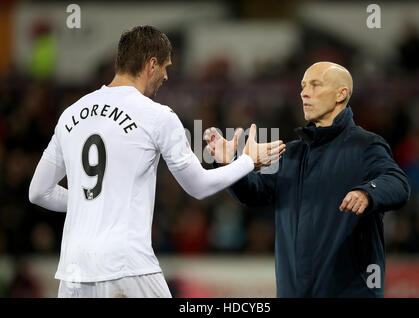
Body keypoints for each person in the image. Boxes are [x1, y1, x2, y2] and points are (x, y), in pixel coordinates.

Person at [28, 25, 285, 298]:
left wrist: (91, 203)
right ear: (152, 64)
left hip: (73, 270)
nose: (165, 76)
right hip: (126, 265)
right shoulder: (156, 116)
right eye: (166, 66)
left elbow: (38, 192)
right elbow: (198, 186)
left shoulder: (70, 114)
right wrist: (246, 161)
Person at [205, 61, 411, 297]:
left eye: (315, 84)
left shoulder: (364, 145)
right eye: (303, 86)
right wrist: (230, 163)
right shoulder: (292, 153)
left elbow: (398, 183)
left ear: (340, 94)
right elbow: (254, 192)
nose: (304, 92)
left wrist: (367, 192)